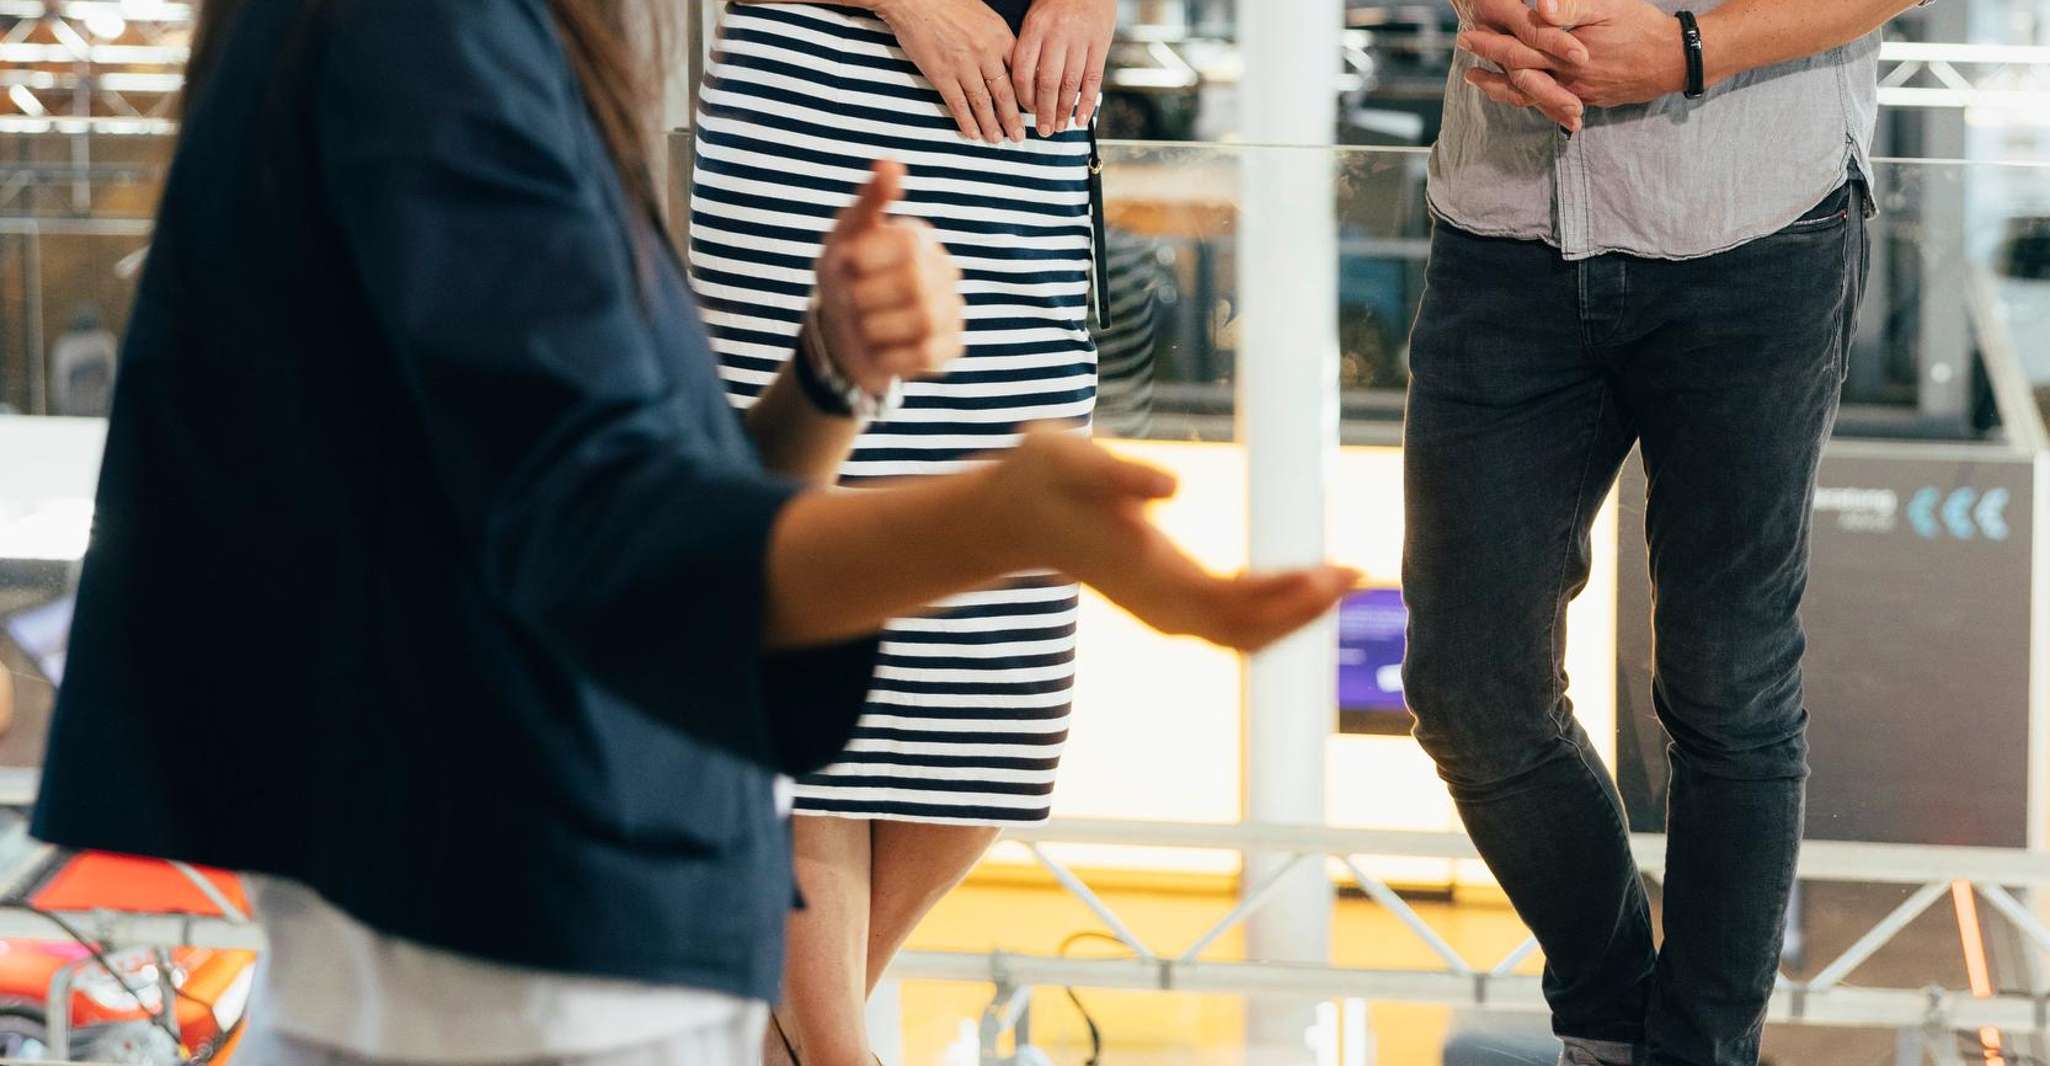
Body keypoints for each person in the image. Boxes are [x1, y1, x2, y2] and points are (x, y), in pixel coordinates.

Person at [27, 1, 1355, 1065]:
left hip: (523, 921)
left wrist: (825, 384)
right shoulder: (424, 44)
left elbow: (632, 484)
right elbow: (605, 525)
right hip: (517, 933)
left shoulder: (488, 48)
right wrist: (995, 518)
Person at [1401, 1, 1927, 1064]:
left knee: (1728, 684)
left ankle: (1695, 1051)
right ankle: (1608, 1020)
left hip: (1760, 226)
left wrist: (1689, 48)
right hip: (1503, 219)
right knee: (1467, 689)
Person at [686, 1, 1119, 1062]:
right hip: (812, 107)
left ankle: (767, 1044)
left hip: (1024, 123)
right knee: (807, 615)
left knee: (998, 683)